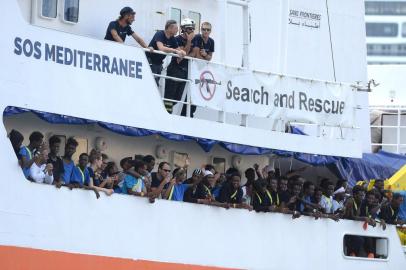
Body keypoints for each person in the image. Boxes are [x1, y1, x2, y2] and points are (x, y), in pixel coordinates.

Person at [164, 18, 196, 115]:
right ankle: (166, 114)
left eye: (192, 29)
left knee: (178, 97)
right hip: (174, 70)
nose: (191, 31)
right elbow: (181, 57)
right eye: (189, 29)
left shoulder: (195, 40)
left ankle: (164, 110)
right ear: (183, 29)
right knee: (169, 96)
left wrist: (187, 53)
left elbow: (193, 54)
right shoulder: (177, 39)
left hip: (184, 72)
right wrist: (189, 42)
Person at [146, 20, 186, 86]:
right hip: (150, 62)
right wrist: (175, 51)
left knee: (156, 84)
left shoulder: (172, 38)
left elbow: (178, 49)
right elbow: (161, 48)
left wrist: (183, 53)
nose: (177, 30)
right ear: (170, 28)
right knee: (153, 84)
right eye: (176, 28)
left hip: (159, 63)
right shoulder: (160, 34)